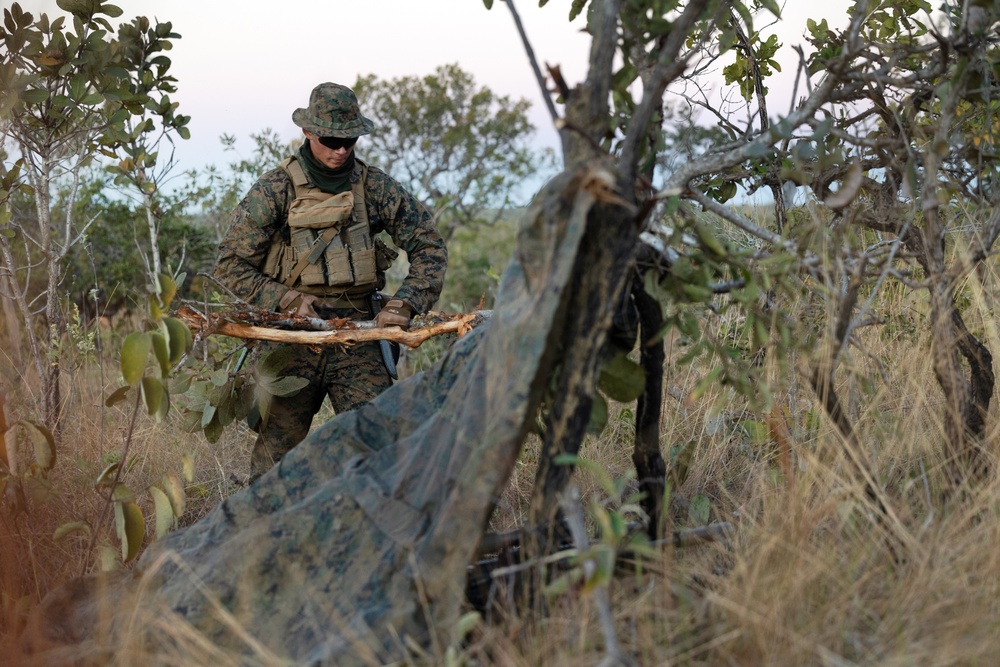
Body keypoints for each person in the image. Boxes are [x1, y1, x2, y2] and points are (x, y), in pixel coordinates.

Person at [214, 82, 448, 480]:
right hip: (293, 337)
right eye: (330, 139)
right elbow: (230, 265)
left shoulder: (374, 187)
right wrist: (286, 299)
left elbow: (430, 247)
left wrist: (403, 304)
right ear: (308, 132)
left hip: (359, 334)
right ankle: (262, 536)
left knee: (380, 448)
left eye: (349, 139)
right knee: (275, 461)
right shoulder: (275, 190)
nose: (341, 149)